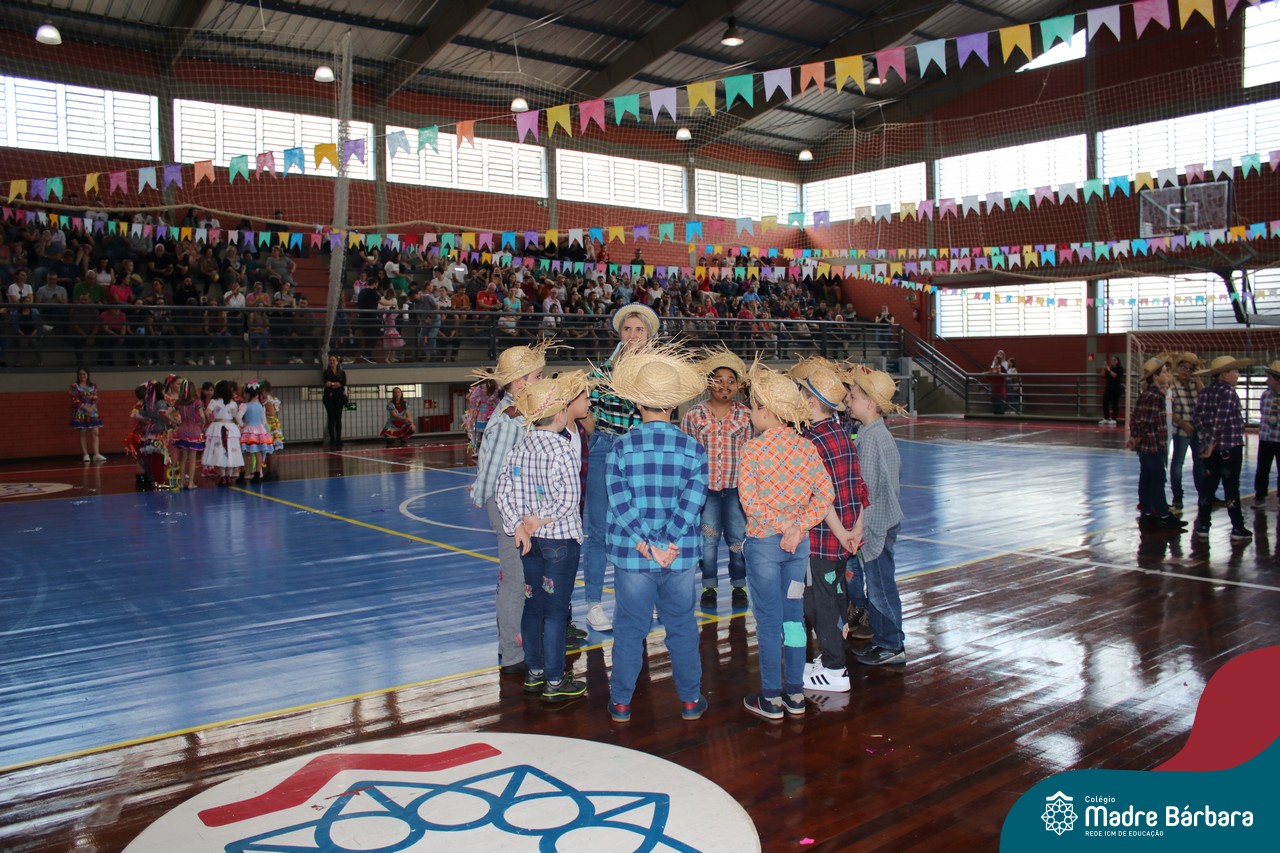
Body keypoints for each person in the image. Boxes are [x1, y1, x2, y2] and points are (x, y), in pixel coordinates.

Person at [600, 344, 710, 724]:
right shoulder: (694, 449)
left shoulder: (620, 448)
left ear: (637, 403)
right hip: (678, 555)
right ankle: (691, 701)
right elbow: (693, 502)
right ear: (674, 404)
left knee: (630, 629)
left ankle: (621, 703)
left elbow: (619, 501)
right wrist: (668, 541)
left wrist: (647, 543)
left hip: (634, 555)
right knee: (681, 627)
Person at [737, 363, 833, 721]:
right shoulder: (806, 449)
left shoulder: (752, 450)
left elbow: (750, 501)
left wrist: (781, 526)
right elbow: (825, 495)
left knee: (767, 621)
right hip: (797, 548)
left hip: (764, 545)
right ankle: (795, 692)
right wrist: (797, 527)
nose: (750, 413)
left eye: (752, 407)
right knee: (793, 618)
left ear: (765, 411)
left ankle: (771, 697)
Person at [494, 376, 587, 704]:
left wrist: (518, 526)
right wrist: (540, 518)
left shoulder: (519, 448)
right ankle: (555, 679)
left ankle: (534, 670)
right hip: (559, 542)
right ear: (560, 414)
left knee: (533, 605)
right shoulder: (563, 450)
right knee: (556, 611)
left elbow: (502, 491)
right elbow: (569, 499)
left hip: (530, 544)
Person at [469, 341, 556, 676]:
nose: (541, 380)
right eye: (537, 376)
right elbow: (492, 472)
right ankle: (512, 652)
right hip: (509, 510)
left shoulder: (521, 415)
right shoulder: (509, 421)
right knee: (515, 579)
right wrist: (488, 500)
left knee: (519, 577)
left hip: (517, 507)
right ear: (520, 382)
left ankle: (517, 644)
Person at [580, 303, 660, 632]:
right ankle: (594, 605)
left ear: (649, 334)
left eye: (639, 329)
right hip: (606, 446)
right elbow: (585, 410)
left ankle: (641, 599)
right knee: (599, 530)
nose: (632, 334)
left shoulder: (656, 371)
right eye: (627, 329)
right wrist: (600, 436)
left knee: (642, 526)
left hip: (641, 449)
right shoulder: (603, 371)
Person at [797, 363, 866, 694]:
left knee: (819, 603)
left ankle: (835, 668)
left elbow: (820, 497)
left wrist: (841, 533)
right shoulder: (842, 432)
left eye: (801, 394)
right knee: (837, 596)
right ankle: (832, 657)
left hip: (824, 540)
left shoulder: (810, 441)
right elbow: (858, 487)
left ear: (811, 402)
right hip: (845, 538)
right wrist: (855, 531)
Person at [842, 364, 909, 666]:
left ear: (869, 403)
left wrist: (858, 526)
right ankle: (883, 639)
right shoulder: (874, 432)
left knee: (881, 588)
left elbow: (864, 489)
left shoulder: (870, 438)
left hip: (876, 525)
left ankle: (893, 644)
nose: (848, 400)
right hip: (880, 521)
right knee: (877, 585)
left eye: (853, 396)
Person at [680, 347, 753, 611]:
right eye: (718, 380)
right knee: (708, 542)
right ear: (708, 384)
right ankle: (709, 587)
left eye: (731, 381)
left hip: (736, 491)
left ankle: (739, 586)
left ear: (738, 387)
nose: (725, 385)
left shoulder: (746, 416)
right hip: (706, 492)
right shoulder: (694, 415)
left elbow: (751, 454)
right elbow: (687, 456)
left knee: (737, 541)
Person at [1192, 356, 1254, 542]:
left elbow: (1197, 418)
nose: (1237, 374)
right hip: (1229, 447)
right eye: (1234, 371)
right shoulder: (1228, 392)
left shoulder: (1205, 392)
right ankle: (1237, 527)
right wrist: (1212, 442)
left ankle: (1203, 525)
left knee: (1208, 486)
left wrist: (1205, 441)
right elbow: (1221, 419)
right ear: (1224, 374)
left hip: (1210, 449)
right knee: (1231, 487)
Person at [1126, 358, 1184, 530]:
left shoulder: (1147, 395)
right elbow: (1145, 421)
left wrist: (1136, 437)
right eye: (1164, 372)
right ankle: (1163, 515)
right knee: (1158, 480)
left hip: (1147, 447)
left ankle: (1147, 513)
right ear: (1156, 376)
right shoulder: (1155, 396)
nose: (1167, 375)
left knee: (1146, 479)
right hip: (1153, 445)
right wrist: (1137, 437)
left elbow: (1136, 418)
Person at [1169, 352, 1205, 515]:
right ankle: (1177, 496)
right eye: (1183, 367)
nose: (1185, 371)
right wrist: (1183, 423)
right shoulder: (1172, 385)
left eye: (1190, 369)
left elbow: (1204, 396)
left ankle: (1203, 494)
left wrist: (1197, 377)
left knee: (1200, 462)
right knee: (1178, 462)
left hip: (1197, 430)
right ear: (1178, 367)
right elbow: (1169, 411)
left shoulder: (1193, 384)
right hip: (1181, 430)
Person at [203, 380, 244, 487]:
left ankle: (222, 477)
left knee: (220, 452)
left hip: (217, 427)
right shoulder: (233, 403)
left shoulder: (214, 401)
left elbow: (207, 412)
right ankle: (229, 477)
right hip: (230, 428)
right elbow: (235, 416)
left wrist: (210, 419)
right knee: (231, 451)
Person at [171, 379, 207, 489]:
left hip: (182, 430)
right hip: (194, 430)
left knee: (183, 458)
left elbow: (168, 413)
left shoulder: (178, 402)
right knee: (192, 458)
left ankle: (182, 482)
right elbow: (202, 415)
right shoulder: (197, 402)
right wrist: (203, 423)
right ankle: (191, 483)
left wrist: (175, 422)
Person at [1256, 361, 1280, 509]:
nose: (1266, 381)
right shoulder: (1265, 395)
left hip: (1279, 438)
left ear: (1277, 380)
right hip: (1265, 438)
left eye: (1269, 378)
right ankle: (1260, 495)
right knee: (1262, 468)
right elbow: (1263, 413)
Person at [239, 381, 274, 483]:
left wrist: (242, 425)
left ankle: (243, 474)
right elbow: (264, 421)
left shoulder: (245, 405)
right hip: (259, 430)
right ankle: (257, 474)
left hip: (248, 431)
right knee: (258, 452)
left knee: (245, 453)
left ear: (247, 394)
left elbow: (238, 417)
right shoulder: (261, 406)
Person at [69, 367, 106, 462]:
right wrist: (86, 408)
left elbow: (95, 398)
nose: (82, 376)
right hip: (81, 412)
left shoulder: (93, 386)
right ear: (78, 376)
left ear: (87, 375)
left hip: (93, 412)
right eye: (80, 374)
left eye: (84, 374)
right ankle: (85, 454)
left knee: (95, 433)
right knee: (83, 433)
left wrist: (92, 408)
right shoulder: (74, 386)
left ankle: (96, 454)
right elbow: (75, 400)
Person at [321, 355, 347, 449]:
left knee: (338, 419)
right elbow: (327, 383)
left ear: (337, 362)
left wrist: (333, 384)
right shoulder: (326, 372)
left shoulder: (342, 372)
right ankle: (332, 439)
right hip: (329, 398)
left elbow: (343, 383)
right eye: (331, 360)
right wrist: (335, 384)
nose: (332, 362)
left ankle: (338, 439)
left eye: (334, 360)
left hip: (339, 397)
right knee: (331, 418)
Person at [260, 379, 284, 481]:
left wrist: (262, 413)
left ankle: (271, 471)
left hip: (270, 425)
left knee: (270, 450)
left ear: (263, 390)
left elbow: (272, 412)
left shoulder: (268, 400)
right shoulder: (272, 398)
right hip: (273, 424)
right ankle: (273, 471)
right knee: (273, 450)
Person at [1100, 356, 1124, 426]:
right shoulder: (1110, 368)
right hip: (1109, 387)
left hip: (1116, 388)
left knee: (1114, 403)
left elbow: (1115, 376)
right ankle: (1106, 418)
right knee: (1105, 402)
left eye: (1114, 360)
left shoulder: (1120, 368)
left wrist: (1109, 369)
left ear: (1118, 361)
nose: (1113, 361)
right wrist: (1104, 368)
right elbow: (1102, 375)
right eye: (1112, 360)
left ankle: (1114, 419)